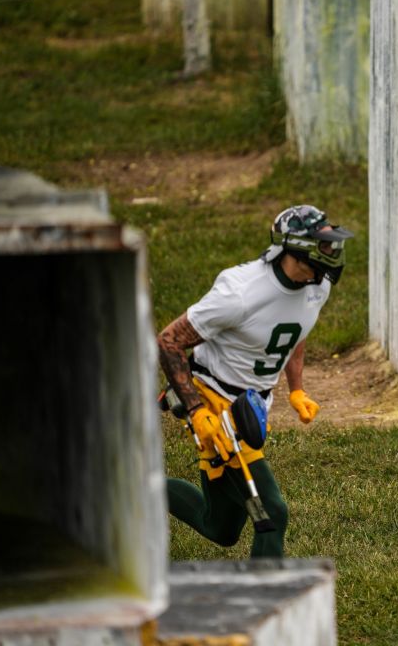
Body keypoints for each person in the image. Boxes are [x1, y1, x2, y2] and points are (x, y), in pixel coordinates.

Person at [158, 205, 353, 557]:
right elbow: (169, 341)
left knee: (221, 528)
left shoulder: (316, 286)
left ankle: (139, 489)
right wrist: (197, 410)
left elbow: (296, 333)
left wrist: (296, 390)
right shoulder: (239, 293)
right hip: (216, 401)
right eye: (322, 245)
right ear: (295, 248)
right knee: (272, 514)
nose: (331, 252)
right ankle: (264, 602)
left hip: (252, 401)